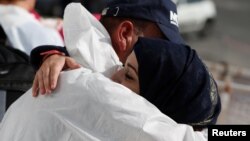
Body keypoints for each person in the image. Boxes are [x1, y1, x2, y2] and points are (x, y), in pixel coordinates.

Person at [30, 0, 189, 96]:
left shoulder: (65, 62)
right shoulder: (83, 76)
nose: (167, 55)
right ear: (125, 33)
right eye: (160, 44)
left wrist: (52, 55)